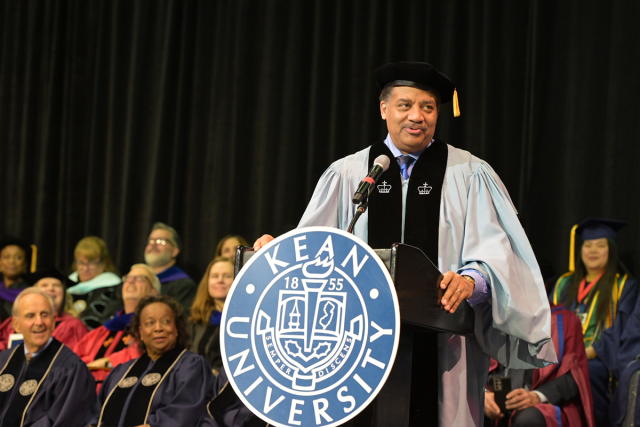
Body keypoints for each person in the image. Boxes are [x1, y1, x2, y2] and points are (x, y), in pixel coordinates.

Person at [253, 61, 556, 426]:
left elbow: (496, 251)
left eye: (428, 108)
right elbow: (316, 245)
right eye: (405, 105)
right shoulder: (349, 173)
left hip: (445, 347)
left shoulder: (469, 173)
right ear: (384, 109)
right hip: (357, 345)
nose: (417, 116)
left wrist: (471, 281)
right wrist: (279, 250)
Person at [552, 218, 638, 426]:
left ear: (611, 250)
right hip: (558, 355)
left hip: (597, 360)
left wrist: (585, 352)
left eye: (601, 245)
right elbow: (550, 319)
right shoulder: (564, 283)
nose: (593, 250)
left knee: (585, 372)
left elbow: (621, 333)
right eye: (588, 245)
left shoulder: (623, 286)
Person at [90, 294, 214, 427]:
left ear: (177, 328)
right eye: (150, 323)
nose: (158, 328)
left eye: (166, 321)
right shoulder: (122, 372)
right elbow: (96, 414)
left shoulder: (191, 366)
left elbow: (184, 412)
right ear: (141, 332)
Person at [484, 304, 595, 427]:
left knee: (529, 419)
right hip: (493, 398)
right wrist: (483, 394)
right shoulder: (490, 316)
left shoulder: (565, 320)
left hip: (543, 402)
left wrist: (537, 396)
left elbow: (574, 375)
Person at [0, 288, 95, 426]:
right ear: (16, 324)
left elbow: (65, 420)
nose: (39, 322)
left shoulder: (71, 369)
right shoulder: (4, 361)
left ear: (54, 320)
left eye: (44, 315)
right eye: (30, 316)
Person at [74, 263, 159, 392]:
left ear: (154, 292)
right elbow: (73, 364)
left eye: (140, 278)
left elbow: (143, 359)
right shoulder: (100, 332)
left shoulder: (156, 329)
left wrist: (105, 363)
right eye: (128, 278)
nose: (131, 281)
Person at [0, 266, 88, 351]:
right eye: (44, 285)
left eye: (56, 285)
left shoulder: (74, 326)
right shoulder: (15, 322)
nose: (51, 289)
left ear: (64, 294)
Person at [189, 256, 233, 374]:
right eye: (215, 276)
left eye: (227, 276)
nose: (220, 280)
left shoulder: (246, 322)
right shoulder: (194, 323)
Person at [67, 236, 122, 329]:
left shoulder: (114, 289)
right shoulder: (66, 286)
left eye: (91, 262)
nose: (85, 268)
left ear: (104, 263)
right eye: (81, 262)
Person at [145, 222, 197, 314]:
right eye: (151, 241)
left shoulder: (183, 286)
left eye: (161, 241)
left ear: (174, 251)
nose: (153, 245)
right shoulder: (134, 279)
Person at [0, 235, 33, 320]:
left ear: (25, 263)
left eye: (18, 257)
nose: (12, 261)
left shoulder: (32, 293)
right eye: (6, 257)